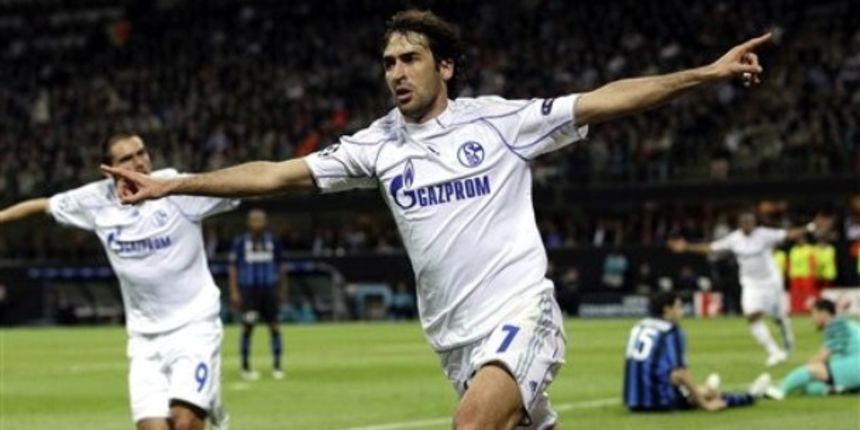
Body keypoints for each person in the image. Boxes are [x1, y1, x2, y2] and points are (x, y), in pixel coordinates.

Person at [104, 9, 774, 429]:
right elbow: (277, 175)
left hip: (522, 314)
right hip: (452, 341)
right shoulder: (377, 144)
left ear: (444, 66)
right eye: (389, 61)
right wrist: (173, 186)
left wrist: (707, 74)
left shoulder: (501, 121)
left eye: (411, 58)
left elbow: (606, 100)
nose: (396, 71)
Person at [0, 132, 236, 430]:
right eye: (127, 158)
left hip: (195, 325)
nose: (139, 162)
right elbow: (42, 206)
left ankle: (205, 397)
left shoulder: (178, 189)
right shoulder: (94, 200)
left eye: (142, 153)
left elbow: (239, 188)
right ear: (108, 169)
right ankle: (207, 394)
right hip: (144, 337)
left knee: (185, 423)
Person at [668, 211, 829, 367]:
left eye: (750, 221)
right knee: (751, 316)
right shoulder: (734, 239)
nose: (747, 224)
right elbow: (711, 247)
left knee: (778, 317)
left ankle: (787, 336)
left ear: (754, 222)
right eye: (744, 222)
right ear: (739, 224)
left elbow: (788, 234)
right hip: (751, 283)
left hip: (771, 281)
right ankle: (774, 351)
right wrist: (687, 247)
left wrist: (810, 227)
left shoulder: (764, 234)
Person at [624, 292, 767, 412]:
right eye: (678, 306)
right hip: (657, 402)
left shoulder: (639, 326)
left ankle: (705, 389)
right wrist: (704, 404)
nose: (682, 311)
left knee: (678, 381)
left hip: (632, 400)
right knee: (700, 396)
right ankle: (749, 397)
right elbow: (681, 372)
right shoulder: (671, 331)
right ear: (667, 309)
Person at [228, 208, 289, 381]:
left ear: (265, 222)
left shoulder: (273, 241)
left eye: (260, 220)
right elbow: (233, 267)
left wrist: (283, 290)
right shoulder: (241, 242)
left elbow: (281, 266)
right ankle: (245, 367)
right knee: (248, 327)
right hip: (249, 291)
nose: (257, 223)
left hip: (269, 290)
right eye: (254, 220)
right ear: (248, 223)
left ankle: (277, 366)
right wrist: (234, 291)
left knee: (274, 326)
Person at [759, 298, 860, 399]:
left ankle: (780, 390)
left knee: (810, 370)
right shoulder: (841, 324)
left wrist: (806, 368)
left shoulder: (836, 325)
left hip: (856, 366)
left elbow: (821, 358)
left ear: (823, 313)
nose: (811, 319)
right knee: (809, 386)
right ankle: (836, 389)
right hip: (853, 368)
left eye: (813, 314)